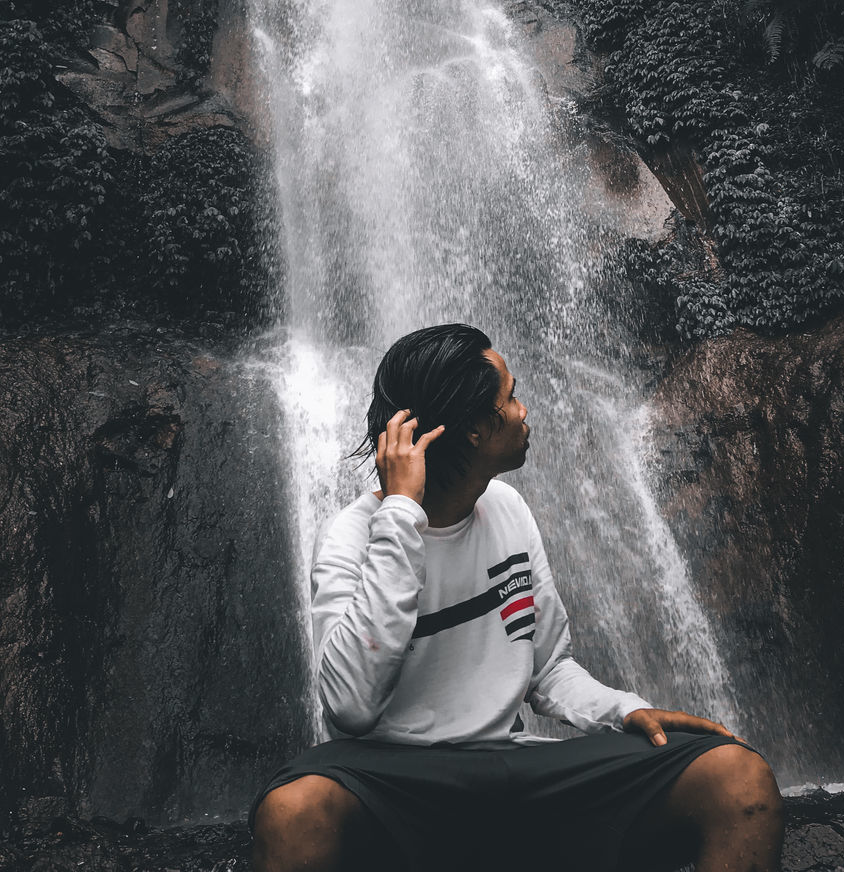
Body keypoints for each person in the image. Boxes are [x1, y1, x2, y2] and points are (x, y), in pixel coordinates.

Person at [250, 324, 783, 871]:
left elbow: (548, 668)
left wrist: (623, 709)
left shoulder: (507, 508)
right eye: (510, 398)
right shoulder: (354, 535)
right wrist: (401, 516)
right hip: (395, 781)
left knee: (735, 775)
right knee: (292, 808)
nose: (525, 411)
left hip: (513, 769)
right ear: (477, 429)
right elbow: (349, 708)